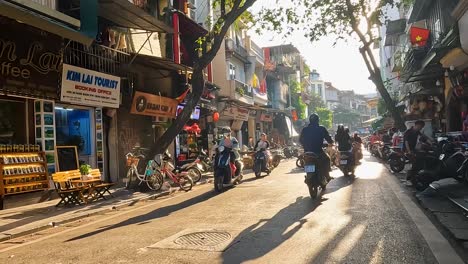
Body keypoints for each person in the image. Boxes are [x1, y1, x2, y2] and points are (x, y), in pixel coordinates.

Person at [299, 113, 334, 182]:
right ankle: (327, 176)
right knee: (327, 159)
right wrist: (331, 143)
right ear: (318, 120)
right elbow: (328, 138)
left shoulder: (305, 129)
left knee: (306, 161)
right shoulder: (321, 128)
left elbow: (300, 140)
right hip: (318, 151)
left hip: (307, 152)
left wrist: (305, 146)